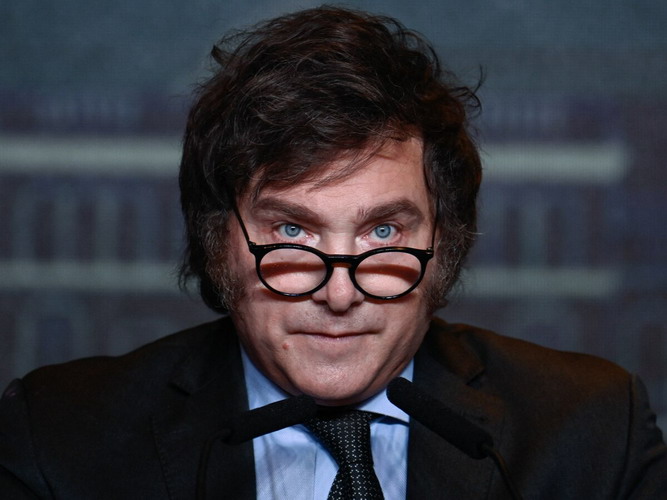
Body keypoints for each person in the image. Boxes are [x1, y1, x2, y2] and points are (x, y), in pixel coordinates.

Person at [1, 6, 665, 499]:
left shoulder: (594, 431)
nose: (340, 294)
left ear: (446, 246)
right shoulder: (57, 436)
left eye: (383, 233)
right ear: (216, 244)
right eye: (292, 232)